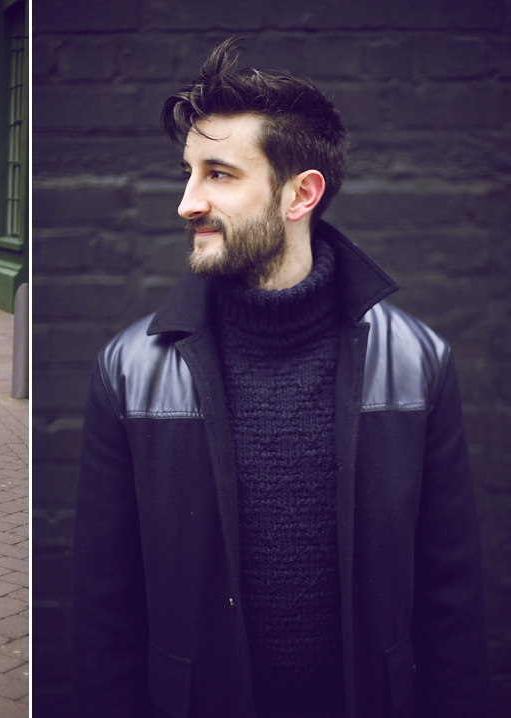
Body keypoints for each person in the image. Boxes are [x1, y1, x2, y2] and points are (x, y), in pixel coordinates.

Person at [73, 38, 489, 717]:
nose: (187, 202)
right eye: (188, 172)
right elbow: (104, 620)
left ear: (301, 195)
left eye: (219, 174)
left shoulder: (418, 364)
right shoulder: (128, 372)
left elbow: (452, 615)